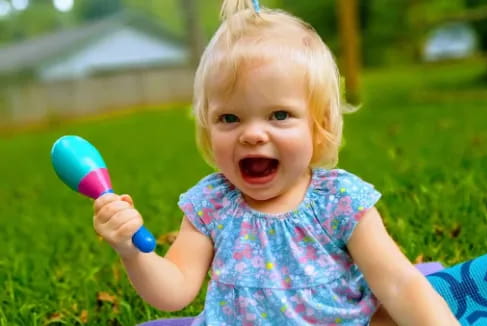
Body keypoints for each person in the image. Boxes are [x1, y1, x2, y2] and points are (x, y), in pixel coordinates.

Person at [93, 0, 459, 325]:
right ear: (208, 128)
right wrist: (132, 252)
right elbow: (174, 291)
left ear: (320, 126)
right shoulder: (212, 205)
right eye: (230, 118)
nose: (252, 135)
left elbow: (397, 283)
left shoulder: (340, 201)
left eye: (279, 115)